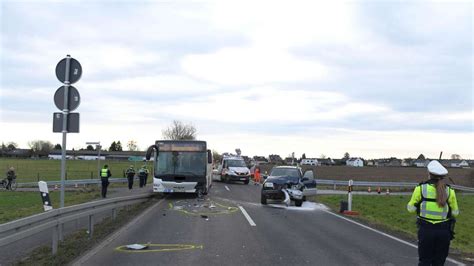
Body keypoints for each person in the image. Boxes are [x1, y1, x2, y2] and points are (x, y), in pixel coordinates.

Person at [407, 160, 459, 266]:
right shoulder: (449, 191)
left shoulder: (420, 189)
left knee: (425, 261)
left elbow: (410, 209)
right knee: (439, 262)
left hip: (425, 230)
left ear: (429, 174)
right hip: (444, 231)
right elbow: (455, 213)